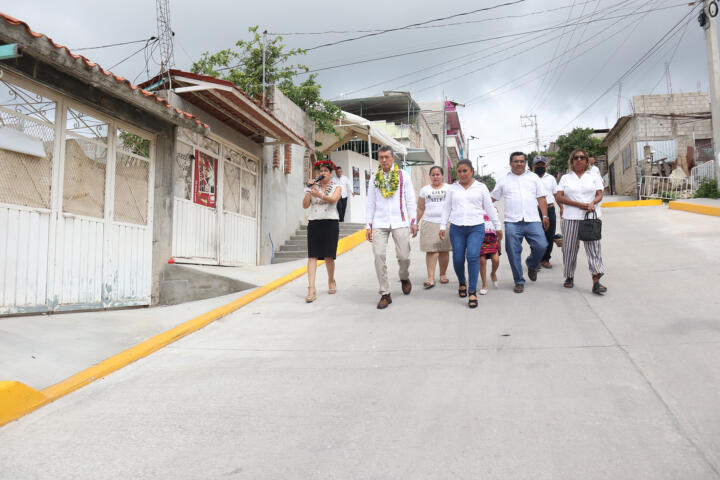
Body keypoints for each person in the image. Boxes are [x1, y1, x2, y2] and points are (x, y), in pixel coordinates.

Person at [439, 160, 501, 308]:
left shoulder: (481, 187)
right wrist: (442, 226)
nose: (462, 174)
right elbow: (447, 208)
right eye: (459, 171)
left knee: (473, 256)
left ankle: (472, 291)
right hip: (457, 228)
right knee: (458, 259)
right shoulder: (453, 189)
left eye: (465, 171)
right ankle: (462, 282)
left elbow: (489, 207)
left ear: (472, 171)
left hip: (476, 227)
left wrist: (497, 226)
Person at [366, 146, 418, 309]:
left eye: (386, 157)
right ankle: (385, 293)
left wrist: (413, 221)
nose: (383, 160)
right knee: (379, 255)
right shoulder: (375, 178)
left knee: (404, 256)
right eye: (381, 157)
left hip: (400, 221)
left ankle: (404, 277)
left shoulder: (403, 176)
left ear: (392, 159)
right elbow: (370, 204)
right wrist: (368, 225)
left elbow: (410, 200)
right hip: (380, 222)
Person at [491, 152, 550, 294]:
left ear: (526, 163)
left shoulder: (533, 177)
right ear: (510, 163)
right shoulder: (503, 180)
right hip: (512, 222)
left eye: (522, 161)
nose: (519, 164)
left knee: (542, 245)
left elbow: (541, 198)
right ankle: (519, 281)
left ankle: (531, 264)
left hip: (533, 220)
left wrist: (545, 216)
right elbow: (492, 198)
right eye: (516, 161)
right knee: (513, 252)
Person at [555, 149, 607, 295]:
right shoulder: (566, 178)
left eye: (582, 157)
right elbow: (559, 197)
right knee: (569, 249)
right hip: (571, 218)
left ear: (586, 161)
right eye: (576, 158)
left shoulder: (593, 176)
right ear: (572, 161)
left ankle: (596, 281)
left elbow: (599, 194)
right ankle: (569, 276)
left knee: (594, 249)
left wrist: (592, 203)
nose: (579, 160)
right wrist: (578, 204)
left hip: (590, 217)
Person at [302, 160, 342, 303]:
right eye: (321, 171)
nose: (322, 173)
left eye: (325, 171)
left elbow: (333, 200)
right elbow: (305, 205)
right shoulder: (314, 187)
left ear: (330, 174)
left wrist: (319, 195)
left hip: (330, 222)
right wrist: (309, 190)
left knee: (328, 257)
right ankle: (311, 289)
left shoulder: (337, 186)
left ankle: (331, 280)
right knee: (312, 256)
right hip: (314, 223)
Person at [416, 166, 451, 289]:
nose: (435, 177)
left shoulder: (449, 189)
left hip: (446, 222)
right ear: (430, 176)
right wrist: (415, 223)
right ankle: (430, 277)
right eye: (433, 175)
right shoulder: (425, 190)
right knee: (431, 250)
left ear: (442, 176)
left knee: (444, 250)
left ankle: (442, 274)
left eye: (438, 174)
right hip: (429, 222)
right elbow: (420, 208)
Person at [532, 155, 561, 269]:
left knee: (549, 235)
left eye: (542, 164)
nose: (540, 166)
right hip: (534, 210)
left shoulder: (551, 179)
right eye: (537, 165)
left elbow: (556, 194)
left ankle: (545, 259)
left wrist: (562, 208)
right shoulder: (530, 178)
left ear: (545, 165)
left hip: (550, 209)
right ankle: (536, 260)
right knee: (536, 236)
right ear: (533, 166)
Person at [479, 208, 501, 295]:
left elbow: (497, 224)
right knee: (482, 261)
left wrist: (499, 242)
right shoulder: (476, 208)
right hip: (480, 237)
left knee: (496, 260)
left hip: (492, 238)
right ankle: (484, 285)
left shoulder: (494, 209)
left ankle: (493, 273)